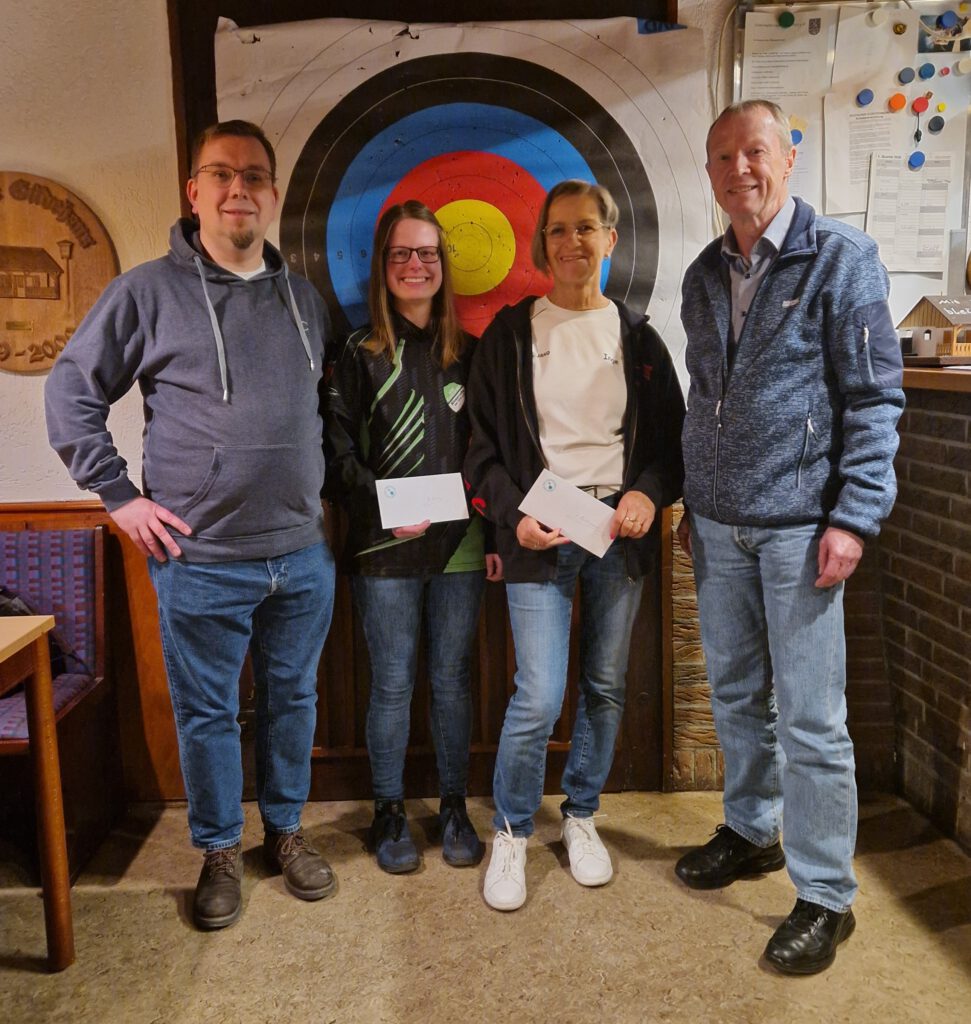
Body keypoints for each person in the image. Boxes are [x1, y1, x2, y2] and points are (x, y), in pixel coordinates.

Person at [45, 120, 337, 930]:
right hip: (199, 557)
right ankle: (218, 849)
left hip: (300, 554)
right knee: (207, 714)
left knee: (293, 701)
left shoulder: (304, 299)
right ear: (195, 191)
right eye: (221, 174)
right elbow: (70, 393)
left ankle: (284, 832)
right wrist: (118, 496)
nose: (238, 188)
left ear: (272, 194)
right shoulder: (146, 292)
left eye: (254, 176)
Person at [676, 99, 905, 974]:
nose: (739, 169)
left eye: (754, 151)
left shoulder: (840, 257)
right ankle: (751, 830)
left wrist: (853, 516)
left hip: (801, 529)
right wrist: (694, 503)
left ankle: (824, 895)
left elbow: (875, 398)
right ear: (708, 172)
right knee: (736, 695)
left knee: (811, 720)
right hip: (717, 524)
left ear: (787, 157)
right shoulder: (702, 274)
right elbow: (706, 399)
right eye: (722, 156)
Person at [465, 179, 685, 911]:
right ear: (541, 243)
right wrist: (513, 519)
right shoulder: (507, 337)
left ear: (609, 239)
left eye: (585, 227)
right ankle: (511, 829)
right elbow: (481, 451)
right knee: (538, 693)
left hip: (615, 537)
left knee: (605, 685)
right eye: (557, 230)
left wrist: (646, 493)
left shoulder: (640, 339)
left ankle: (582, 814)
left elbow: (670, 445)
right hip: (539, 533)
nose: (571, 242)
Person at [326, 200, 501, 873]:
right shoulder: (356, 352)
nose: (415, 265)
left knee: (452, 680)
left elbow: (489, 454)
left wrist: (493, 533)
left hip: (460, 547)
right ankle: (388, 811)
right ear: (382, 264)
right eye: (400, 253)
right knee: (393, 683)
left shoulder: (472, 355)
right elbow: (335, 451)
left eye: (427, 252)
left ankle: (453, 805)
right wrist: (379, 505)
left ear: (443, 264)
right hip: (383, 549)